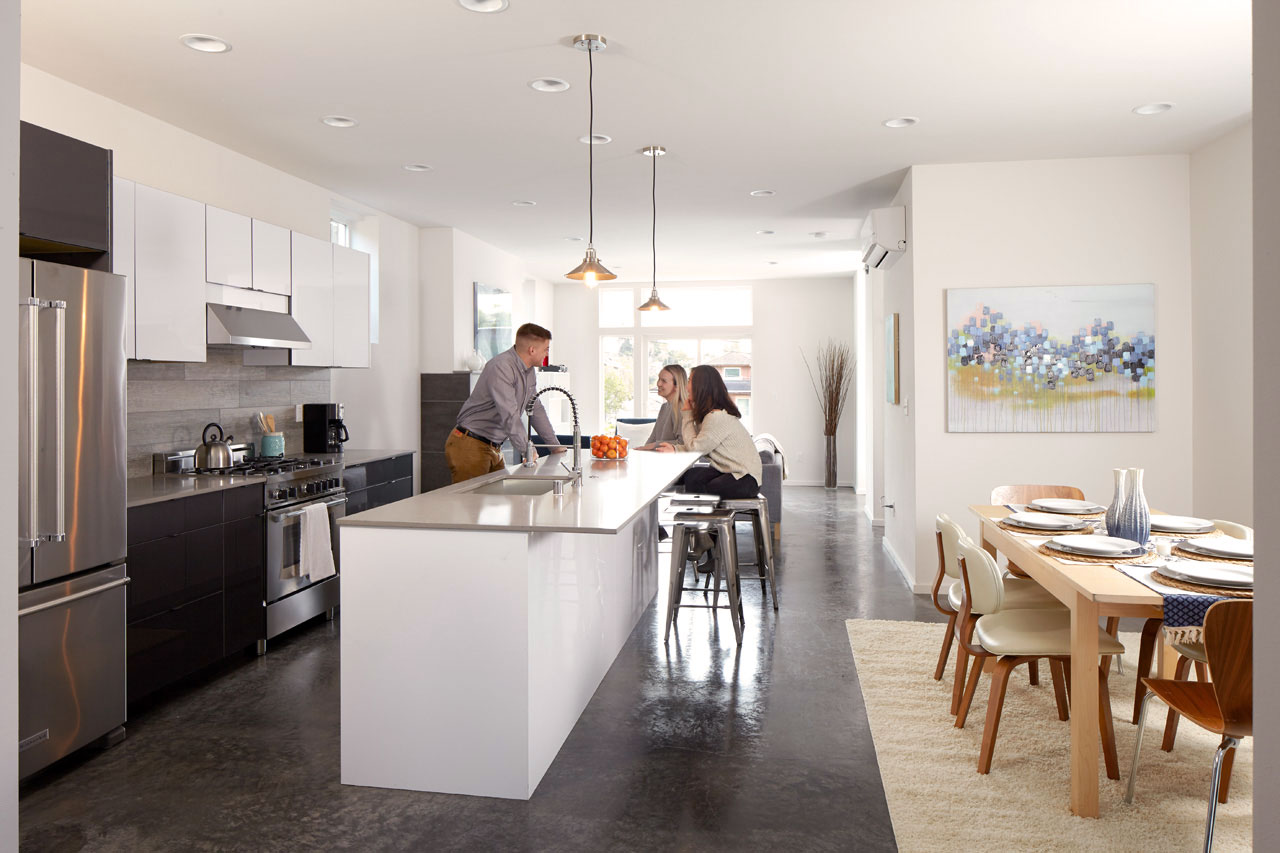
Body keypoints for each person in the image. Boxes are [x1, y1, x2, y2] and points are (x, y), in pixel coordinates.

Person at [445, 323, 565, 484]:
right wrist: (527, 450)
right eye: (546, 349)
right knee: (470, 506)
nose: (547, 353)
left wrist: (555, 446)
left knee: (503, 499)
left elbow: (535, 409)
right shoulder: (501, 367)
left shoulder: (529, 371)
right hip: (470, 444)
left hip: (493, 447)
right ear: (532, 350)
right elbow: (509, 415)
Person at [655, 364, 761, 499]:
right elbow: (699, 444)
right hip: (729, 471)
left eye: (689, 381)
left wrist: (687, 415)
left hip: (745, 479)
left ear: (701, 386)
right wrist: (675, 449)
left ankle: (702, 516)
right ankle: (697, 514)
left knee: (705, 488)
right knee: (692, 476)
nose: (686, 387)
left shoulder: (716, 417)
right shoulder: (709, 415)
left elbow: (696, 449)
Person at [635, 364, 689, 450]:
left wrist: (654, 445)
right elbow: (653, 437)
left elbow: (683, 443)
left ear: (676, 385)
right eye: (659, 379)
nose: (658, 383)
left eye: (664, 381)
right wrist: (642, 450)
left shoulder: (683, 408)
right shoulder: (664, 407)